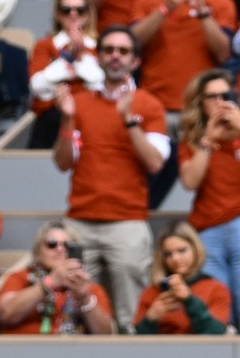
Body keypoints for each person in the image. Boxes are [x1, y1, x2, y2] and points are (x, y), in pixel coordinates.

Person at [51, 28, 168, 322]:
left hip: (127, 222)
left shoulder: (149, 104)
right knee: (75, 313)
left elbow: (155, 163)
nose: (115, 56)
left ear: (135, 61)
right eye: (109, 49)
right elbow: (63, 163)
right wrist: (67, 118)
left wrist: (129, 120)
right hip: (80, 220)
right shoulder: (79, 102)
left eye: (123, 51)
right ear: (99, 57)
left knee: (131, 314)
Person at [177, 73, 240, 337]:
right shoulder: (194, 137)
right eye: (212, 97)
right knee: (215, 323)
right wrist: (208, 141)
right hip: (208, 233)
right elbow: (190, 182)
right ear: (201, 103)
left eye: (226, 96)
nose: (220, 102)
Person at [0, 225, 118, 335]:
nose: (60, 249)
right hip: (23, 350)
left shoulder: (87, 286)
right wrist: (50, 282)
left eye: (67, 245)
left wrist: (84, 298)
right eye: (51, 244)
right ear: (38, 252)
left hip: (73, 351)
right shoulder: (20, 277)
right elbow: (6, 314)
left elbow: (106, 335)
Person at [135, 222, 233, 335]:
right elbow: (136, 341)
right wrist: (150, 319)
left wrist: (189, 300)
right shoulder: (152, 292)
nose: (175, 258)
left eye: (182, 250)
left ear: (195, 249)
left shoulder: (216, 289)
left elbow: (216, 333)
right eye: (168, 254)